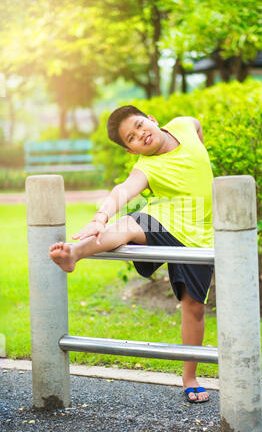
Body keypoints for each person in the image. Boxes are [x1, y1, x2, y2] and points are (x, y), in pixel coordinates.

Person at [49, 105, 214, 404]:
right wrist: (100, 217)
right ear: (131, 150)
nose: (141, 135)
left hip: (200, 234)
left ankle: (189, 376)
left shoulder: (184, 124)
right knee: (128, 223)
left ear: (152, 118)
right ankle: (75, 253)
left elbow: (197, 126)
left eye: (140, 126)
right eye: (132, 138)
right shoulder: (146, 167)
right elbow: (122, 191)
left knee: (194, 307)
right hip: (166, 218)